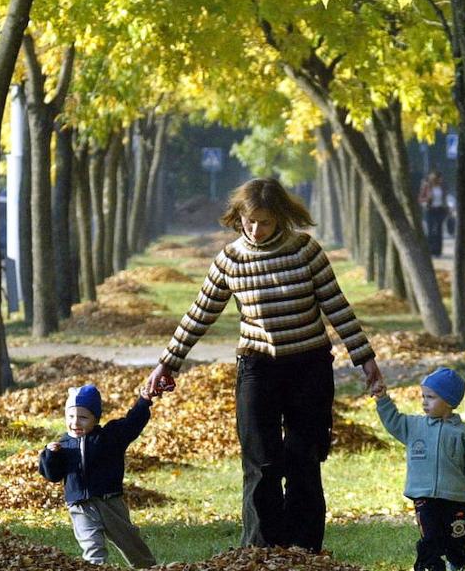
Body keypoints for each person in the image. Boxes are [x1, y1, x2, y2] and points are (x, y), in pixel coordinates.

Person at [143, 177, 383, 552]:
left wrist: (365, 359)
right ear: (238, 217)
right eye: (249, 221)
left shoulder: (305, 251)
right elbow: (199, 314)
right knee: (261, 462)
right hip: (257, 367)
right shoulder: (231, 260)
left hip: (309, 367)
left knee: (304, 458)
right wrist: (167, 364)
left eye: (265, 222)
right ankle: (261, 549)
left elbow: (336, 306)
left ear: (281, 219)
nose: (256, 229)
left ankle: (305, 548)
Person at [373, 366, 465, 571]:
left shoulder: (463, 433)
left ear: (449, 401)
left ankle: (458, 561)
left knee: (458, 534)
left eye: (431, 397)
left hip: (455, 497)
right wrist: (383, 400)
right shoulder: (414, 427)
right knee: (430, 536)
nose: (424, 402)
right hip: (423, 495)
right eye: (423, 396)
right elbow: (393, 421)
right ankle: (429, 568)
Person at [39, 383, 159, 568]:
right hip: (80, 507)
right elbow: (53, 475)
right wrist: (49, 455)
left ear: (95, 418)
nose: (75, 422)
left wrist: (144, 401)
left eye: (83, 417)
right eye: (70, 416)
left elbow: (132, 422)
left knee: (130, 542)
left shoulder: (110, 436)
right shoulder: (63, 445)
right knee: (92, 546)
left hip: (110, 502)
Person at [417, 171, 448, 257]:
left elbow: (445, 198)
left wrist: (447, 207)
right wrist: (427, 198)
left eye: (441, 178)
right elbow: (420, 199)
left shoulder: (442, 187)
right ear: (434, 179)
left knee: (439, 231)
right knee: (431, 231)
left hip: (440, 210)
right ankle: (430, 250)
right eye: (439, 178)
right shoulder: (427, 186)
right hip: (430, 210)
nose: (441, 180)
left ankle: (438, 251)